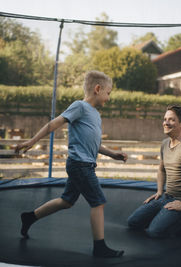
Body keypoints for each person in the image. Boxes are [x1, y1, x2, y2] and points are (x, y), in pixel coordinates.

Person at [15, 70, 127, 258]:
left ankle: (30, 217)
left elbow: (94, 144)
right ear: (97, 89)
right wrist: (31, 141)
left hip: (84, 165)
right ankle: (99, 247)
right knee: (98, 202)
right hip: (80, 164)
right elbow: (53, 124)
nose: (109, 97)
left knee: (66, 201)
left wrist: (112, 155)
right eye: (108, 92)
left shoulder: (96, 115)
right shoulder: (80, 107)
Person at [127, 104, 181, 238]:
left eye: (171, 120)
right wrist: (160, 191)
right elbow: (161, 170)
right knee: (133, 222)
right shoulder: (164, 144)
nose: (166, 123)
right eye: (165, 119)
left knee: (154, 232)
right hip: (166, 197)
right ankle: (165, 216)